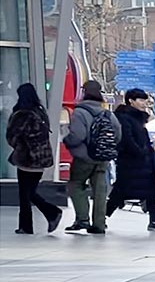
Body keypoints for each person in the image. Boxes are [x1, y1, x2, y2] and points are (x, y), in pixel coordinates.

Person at [106, 88, 155, 231]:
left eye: (145, 101)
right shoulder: (124, 117)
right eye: (141, 100)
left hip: (143, 163)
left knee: (150, 191)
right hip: (131, 162)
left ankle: (154, 220)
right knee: (121, 191)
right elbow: (127, 139)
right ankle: (103, 215)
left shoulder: (138, 118)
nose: (144, 104)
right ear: (131, 101)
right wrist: (140, 152)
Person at [63, 80, 121, 234]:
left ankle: (82, 219)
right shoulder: (107, 113)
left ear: (84, 92)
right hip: (102, 158)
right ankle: (99, 224)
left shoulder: (80, 112)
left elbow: (77, 135)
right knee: (100, 191)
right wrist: (106, 147)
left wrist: (67, 141)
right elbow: (118, 133)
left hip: (84, 157)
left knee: (76, 184)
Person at [6, 83, 62, 235]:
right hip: (41, 159)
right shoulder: (40, 112)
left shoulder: (21, 114)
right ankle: (47, 216)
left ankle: (43, 217)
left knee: (25, 194)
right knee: (30, 192)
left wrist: (18, 147)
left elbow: (12, 136)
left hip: (26, 159)